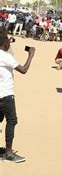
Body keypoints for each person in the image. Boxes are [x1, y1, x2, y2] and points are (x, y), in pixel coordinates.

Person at [0, 32, 35, 162]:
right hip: (5, 95)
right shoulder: (6, 56)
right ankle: (9, 152)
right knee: (12, 121)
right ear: (4, 43)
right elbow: (24, 70)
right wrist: (31, 55)